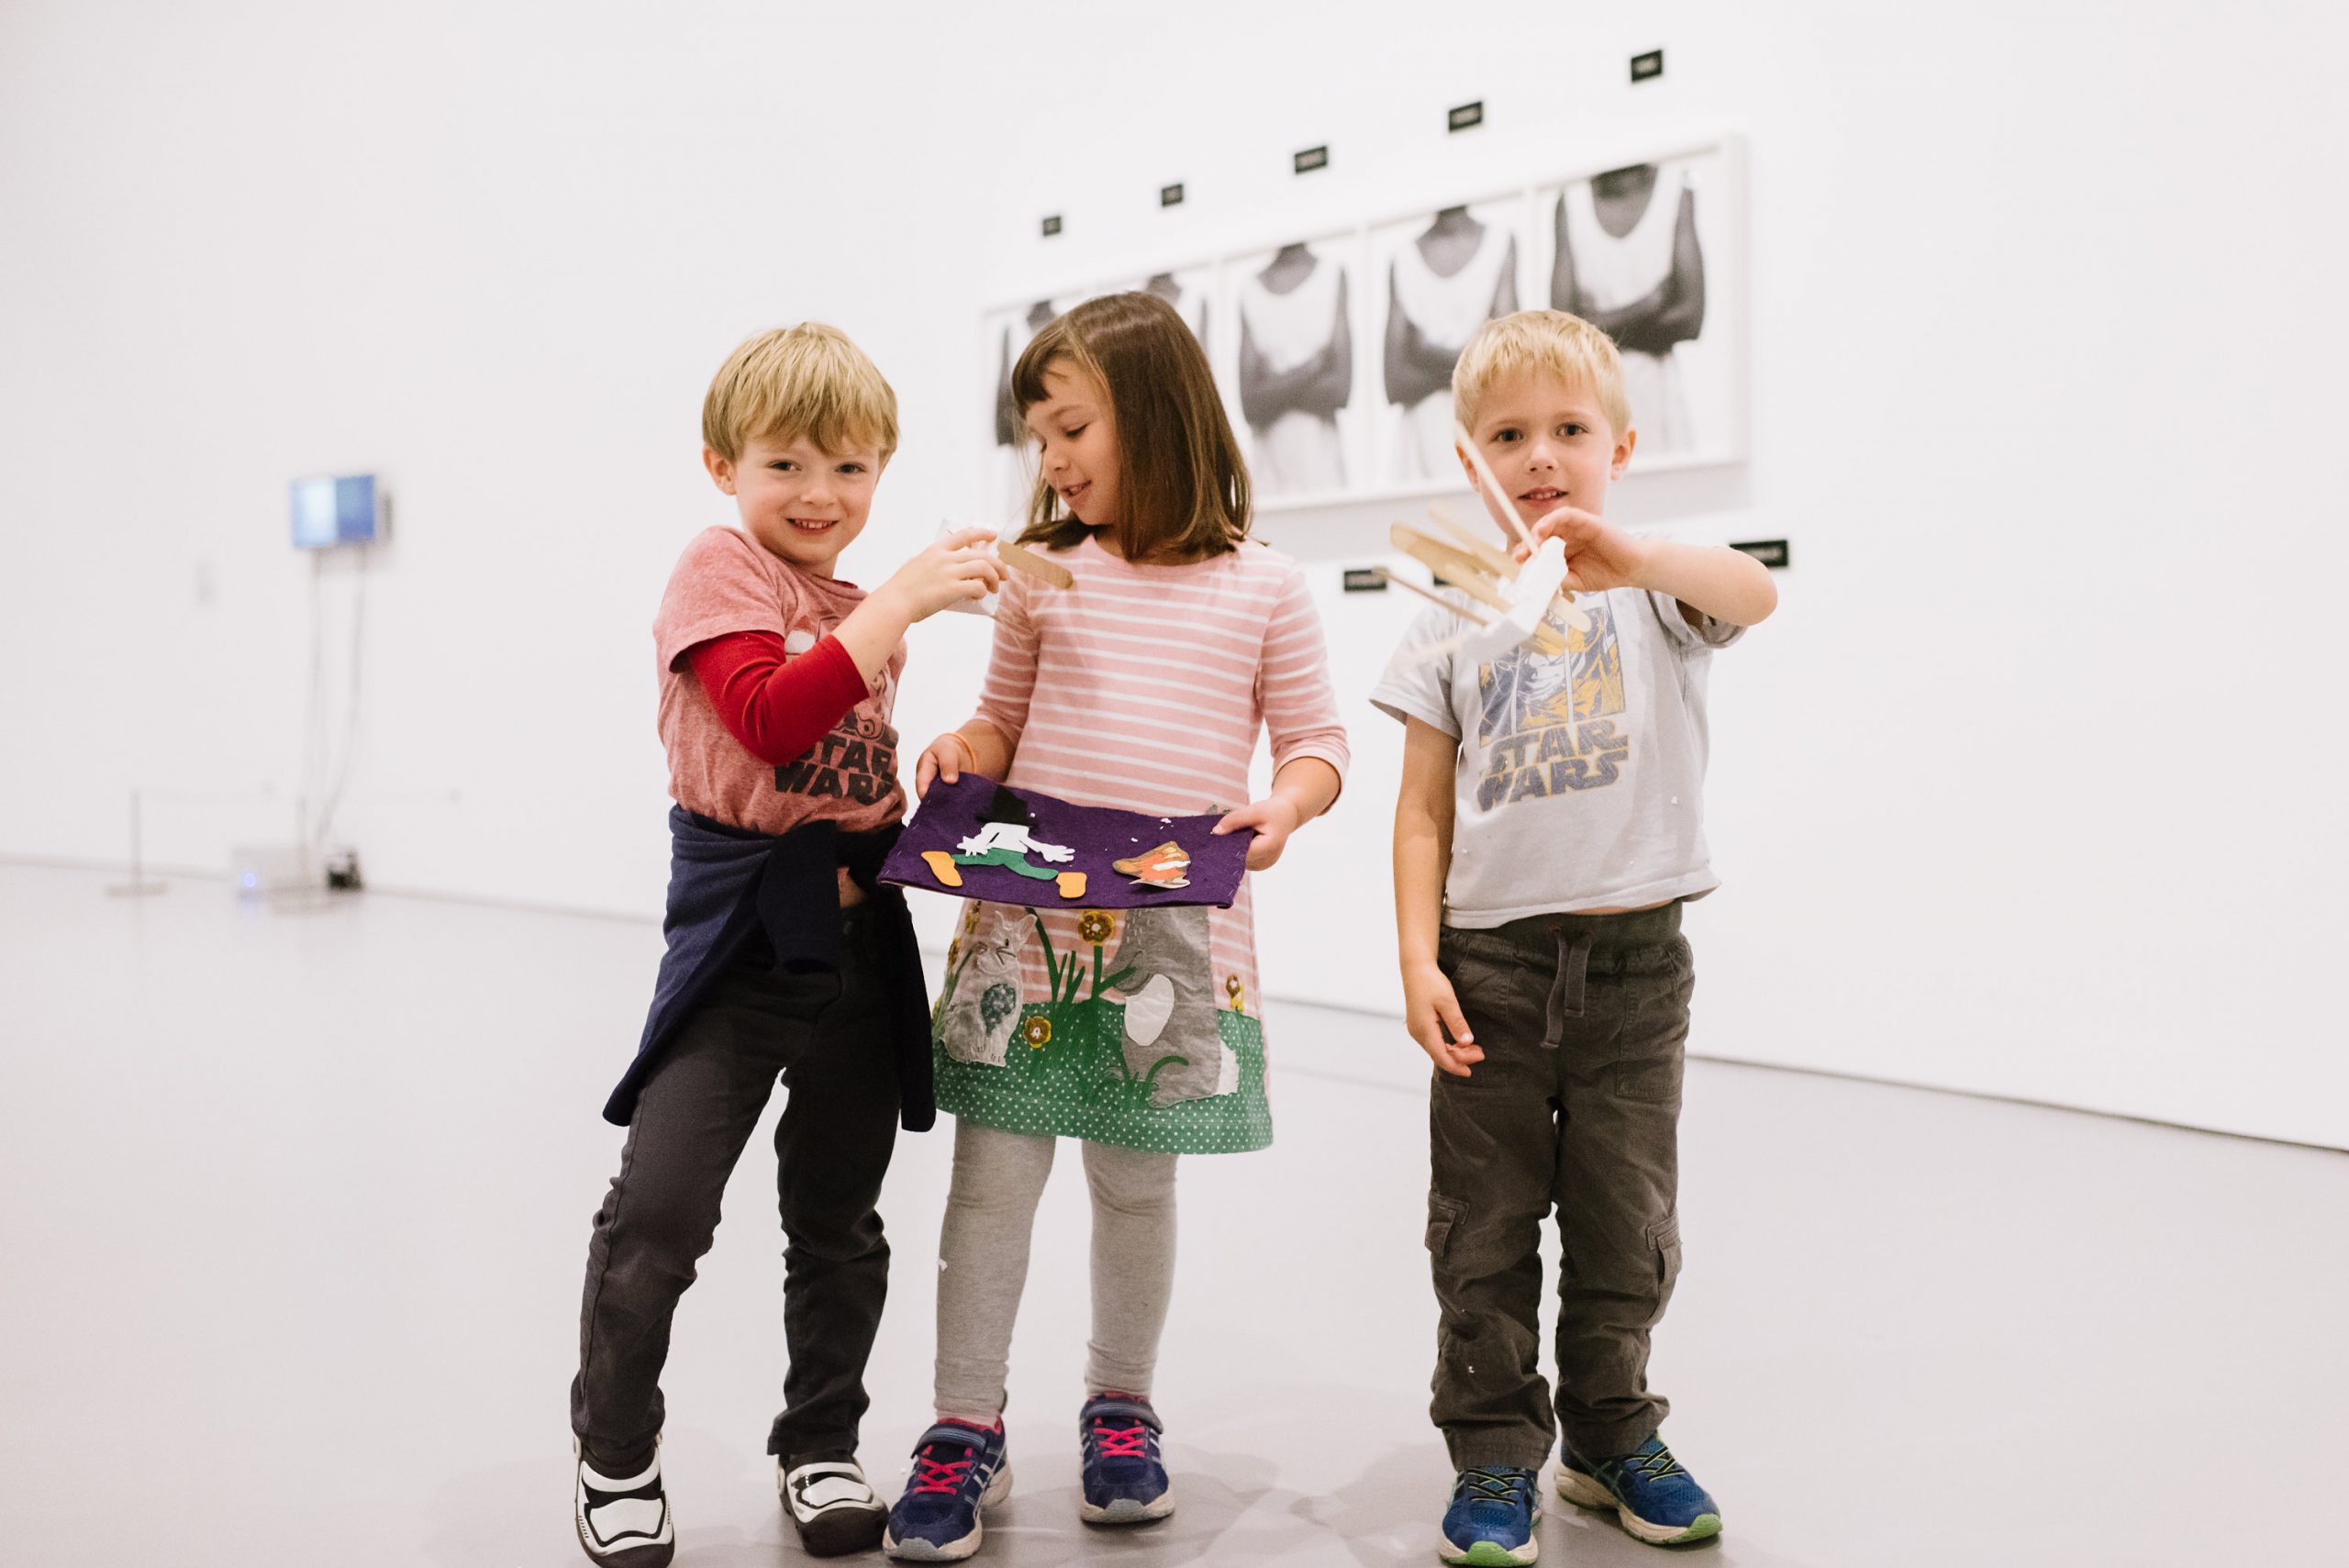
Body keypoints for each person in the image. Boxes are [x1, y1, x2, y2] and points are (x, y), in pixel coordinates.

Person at [882, 292, 1349, 1562]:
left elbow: (1317, 741)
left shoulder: (1265, 588)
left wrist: (1286, 805)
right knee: (992, 1185)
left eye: (1073, 426)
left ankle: (1121, 1403)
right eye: (1039, 437)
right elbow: (1000, 721)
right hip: (1027, 936)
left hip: (1172, 940)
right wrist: (961, 749)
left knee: (1138, 1183)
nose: (1054, 459)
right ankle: (959, 1422)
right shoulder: (1044, 576)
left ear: (1154, 412)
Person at [569, 323, 1005, 1564]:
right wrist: (911, 597)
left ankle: (819, 1437)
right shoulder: (718, 570)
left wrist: (942, 778)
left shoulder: (866, 607)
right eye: (790, 465)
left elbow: (842, 774)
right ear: (724, 465)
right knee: (660, 1211)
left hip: (860, 951)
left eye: (853, 468)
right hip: (743, 941)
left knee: (839, 1218)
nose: (823, 496)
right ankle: (613, 1447)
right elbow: (764, 720)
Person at [1369, 308, 1776, 1563]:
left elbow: (1755, 591)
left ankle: (1609, 1429)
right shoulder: (1444, 618)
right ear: (1469, 461)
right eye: (1510, 433)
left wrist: (1640, 554)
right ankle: (1494, 1454)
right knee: (1481, 1226)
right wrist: (1418, 956)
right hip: (1492, 968)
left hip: (1638, 968)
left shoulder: (1654, 596)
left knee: (1625, 1218)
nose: (1541, 454)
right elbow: (1422, 811)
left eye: (1569, 429)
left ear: (1620, 445)